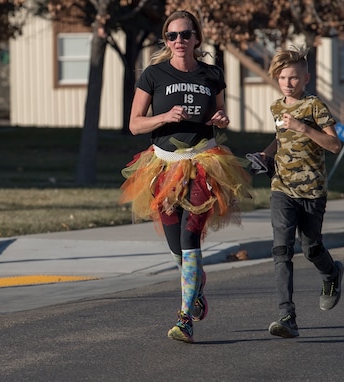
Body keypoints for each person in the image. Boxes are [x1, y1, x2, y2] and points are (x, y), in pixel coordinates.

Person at [119, 10, 252, 343]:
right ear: (166, 40)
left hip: (203, 162)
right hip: (162, 165)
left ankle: (184, 319)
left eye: (185, 34)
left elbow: (219, 116)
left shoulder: (211, 74)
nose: (179, 41)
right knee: (176, 248)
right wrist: (164, 117)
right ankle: (196, 286)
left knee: (190, 239)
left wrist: (221, 119)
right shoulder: (153, 74)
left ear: (197, 38)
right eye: (172, 36)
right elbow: (135, 124)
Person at [257, 45, 344, 338]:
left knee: (311, 248)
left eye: (293, 78)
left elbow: (334, 145)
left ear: (305, 78)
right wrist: (265, 155)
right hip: (282, 187)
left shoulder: (314, 107)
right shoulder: (276, 107)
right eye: (283, 78)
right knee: (281, 250)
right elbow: (280, 139)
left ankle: (331, 273)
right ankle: (287, 316)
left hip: (312, 190)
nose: (288, 83)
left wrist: (303, 128)